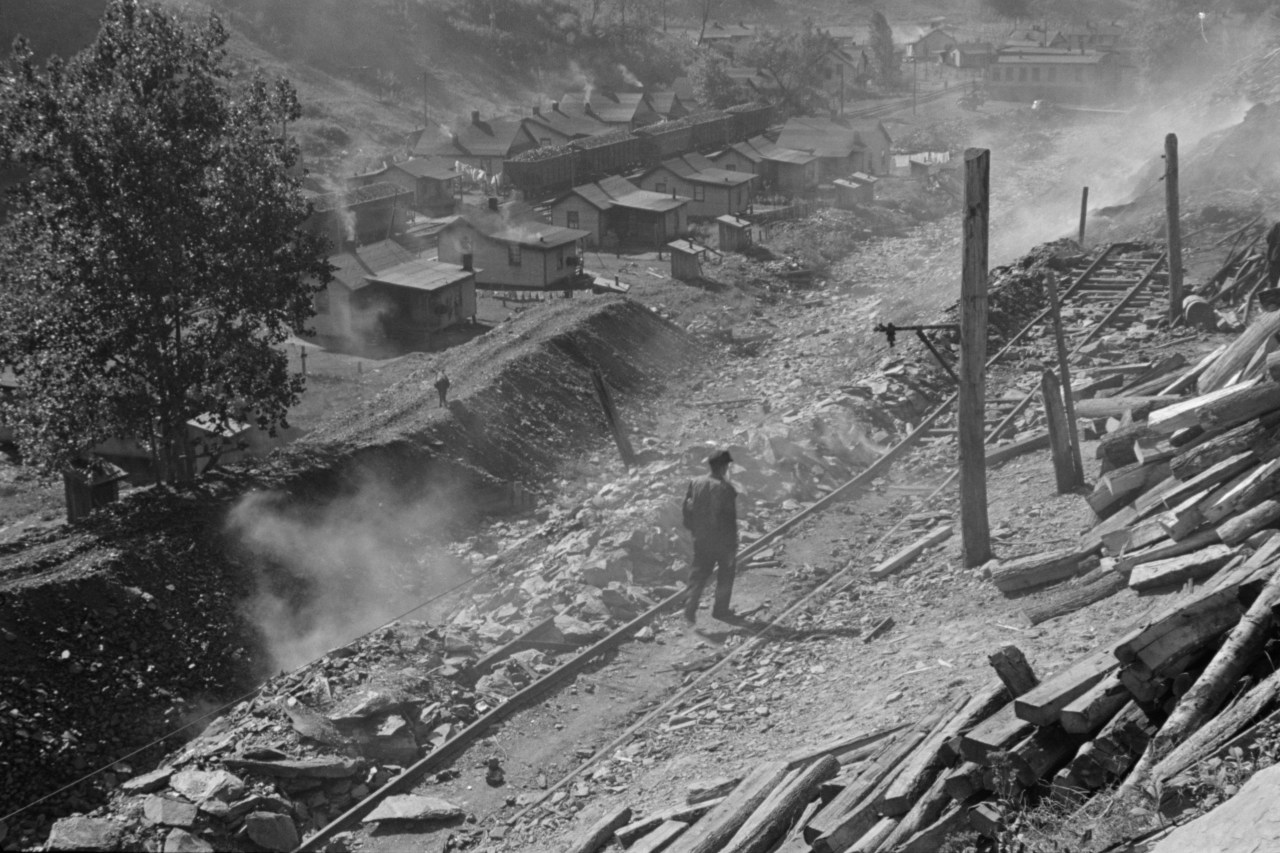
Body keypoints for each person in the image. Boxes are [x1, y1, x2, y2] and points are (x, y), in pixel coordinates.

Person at [682, 449, 740, 625]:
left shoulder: (695, 482)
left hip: (701, 539)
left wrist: (694, 530)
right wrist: (732, 544)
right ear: (723, 467)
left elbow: (686, 509)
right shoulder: (726, 489)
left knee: (698, 574)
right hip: (722, 541)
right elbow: (729, 520)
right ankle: (721, 610)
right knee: (726, 574)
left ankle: (689, 609)